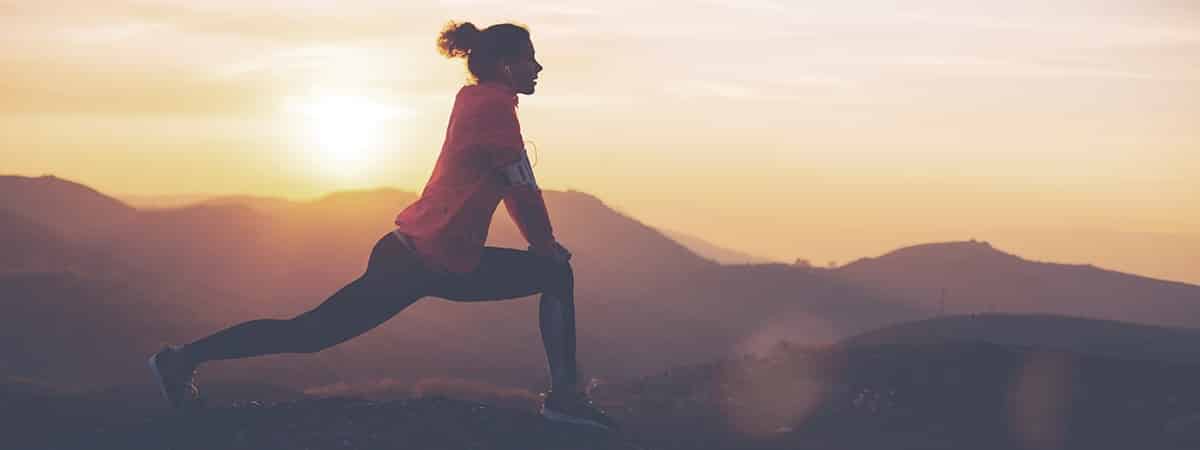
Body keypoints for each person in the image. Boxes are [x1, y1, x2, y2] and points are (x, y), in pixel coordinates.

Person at [148, 20, 617, 431]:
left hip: (422, 254)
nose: (538, 68)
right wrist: (546, 246)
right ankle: (566, 400)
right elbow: (522, 189)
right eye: (530, 59)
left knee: (309, 333)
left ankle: (180, 360)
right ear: (505, 65)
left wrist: (542, 246)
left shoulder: (477, 100)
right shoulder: (494, 109)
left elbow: (513, 185)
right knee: (555, 274)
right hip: (427, 261)